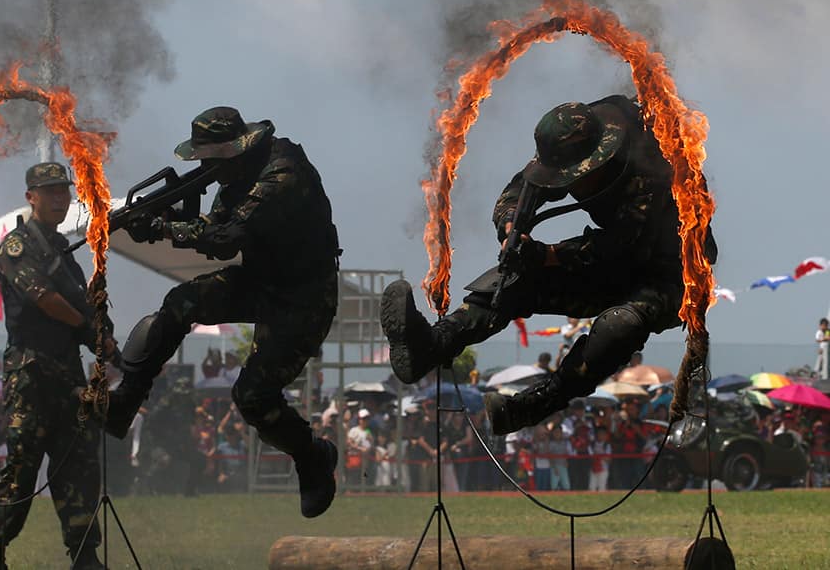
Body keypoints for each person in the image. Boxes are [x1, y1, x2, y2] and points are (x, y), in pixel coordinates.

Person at [380, 95, 717, 436]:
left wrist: (546, 255)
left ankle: (538, 402)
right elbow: (521, 190)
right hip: (609, 266)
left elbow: (622, 244)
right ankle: (430, 346)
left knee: (622, 324)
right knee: (516, 278)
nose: (567, 186)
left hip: (672, 277)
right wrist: (511, 229)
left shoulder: (651, 163)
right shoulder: (571, 141)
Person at [107, 107, 341, 518]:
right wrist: (162, 219)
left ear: (235, 152)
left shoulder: (281, 175)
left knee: (252, 397)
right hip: (260, 281)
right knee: (181, 304)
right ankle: (126, 400)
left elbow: (225, 239)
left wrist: (164, 230)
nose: (208, 170)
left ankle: (311, 455)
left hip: (304, 297)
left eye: (212, 162)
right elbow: (214, 224)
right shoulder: (236, 175)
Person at [0, 162, 114, 570]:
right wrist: (85, 324)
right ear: (30, 197)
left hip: (67, 372)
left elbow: (82, 302)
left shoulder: (63, 252)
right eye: (49, 191)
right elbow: (44, 299)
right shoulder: (17, 246)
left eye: (63, 191)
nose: (59, 197)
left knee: (79, 463)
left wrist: (101, 336)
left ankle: (85, 554)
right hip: (31, 372)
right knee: (22, 466)